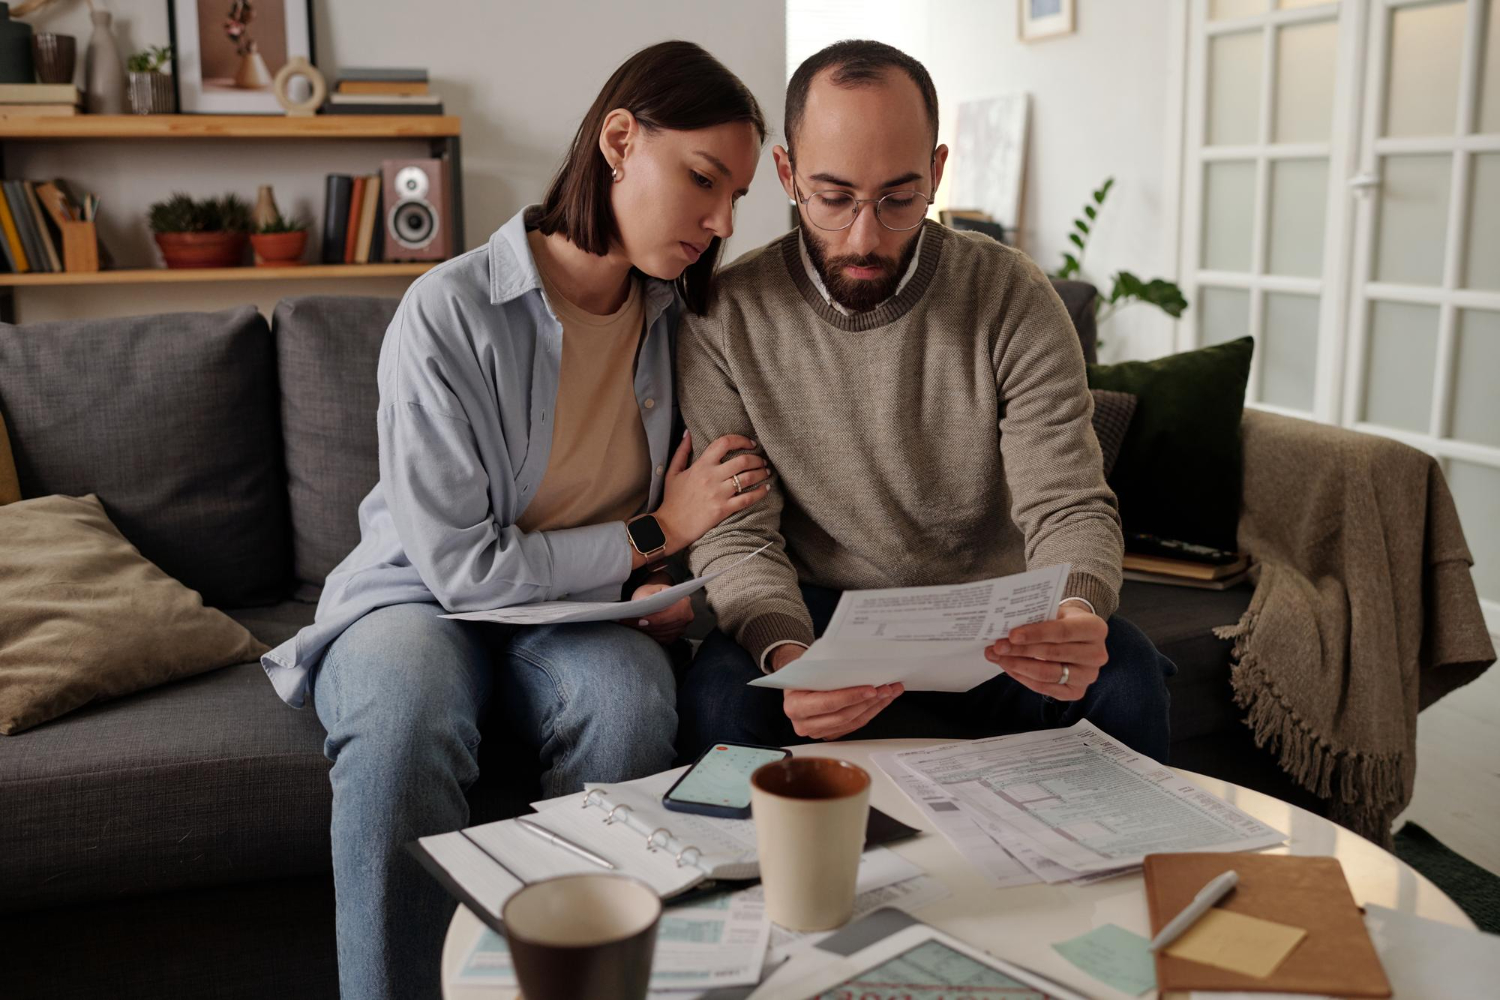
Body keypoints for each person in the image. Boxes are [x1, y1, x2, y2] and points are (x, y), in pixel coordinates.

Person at [258, 41, 770, 1000]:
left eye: (737, 195)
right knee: (404, 714)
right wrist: (651, 538)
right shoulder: (445, 313)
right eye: (704, 179)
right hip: (418, 601)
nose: (722, 220)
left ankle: (575, 981)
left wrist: (657, 591)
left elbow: (688, 523)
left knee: (629, 702)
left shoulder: (684, 325)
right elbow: (463, 569)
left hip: (574, 615)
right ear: (619, 141)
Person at [676, 40, 1174, 764]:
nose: (865, 235)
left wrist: (1073, 611)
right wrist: (788, 654)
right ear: (786, 173)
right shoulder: (726, 317)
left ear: (937, 172)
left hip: (992, 617)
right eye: (834, 196)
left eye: (899, 198)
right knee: (719, 700)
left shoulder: (1012, 296)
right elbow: (738, 533)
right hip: (817, 615)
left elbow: (1067, 501)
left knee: (1124, 681)